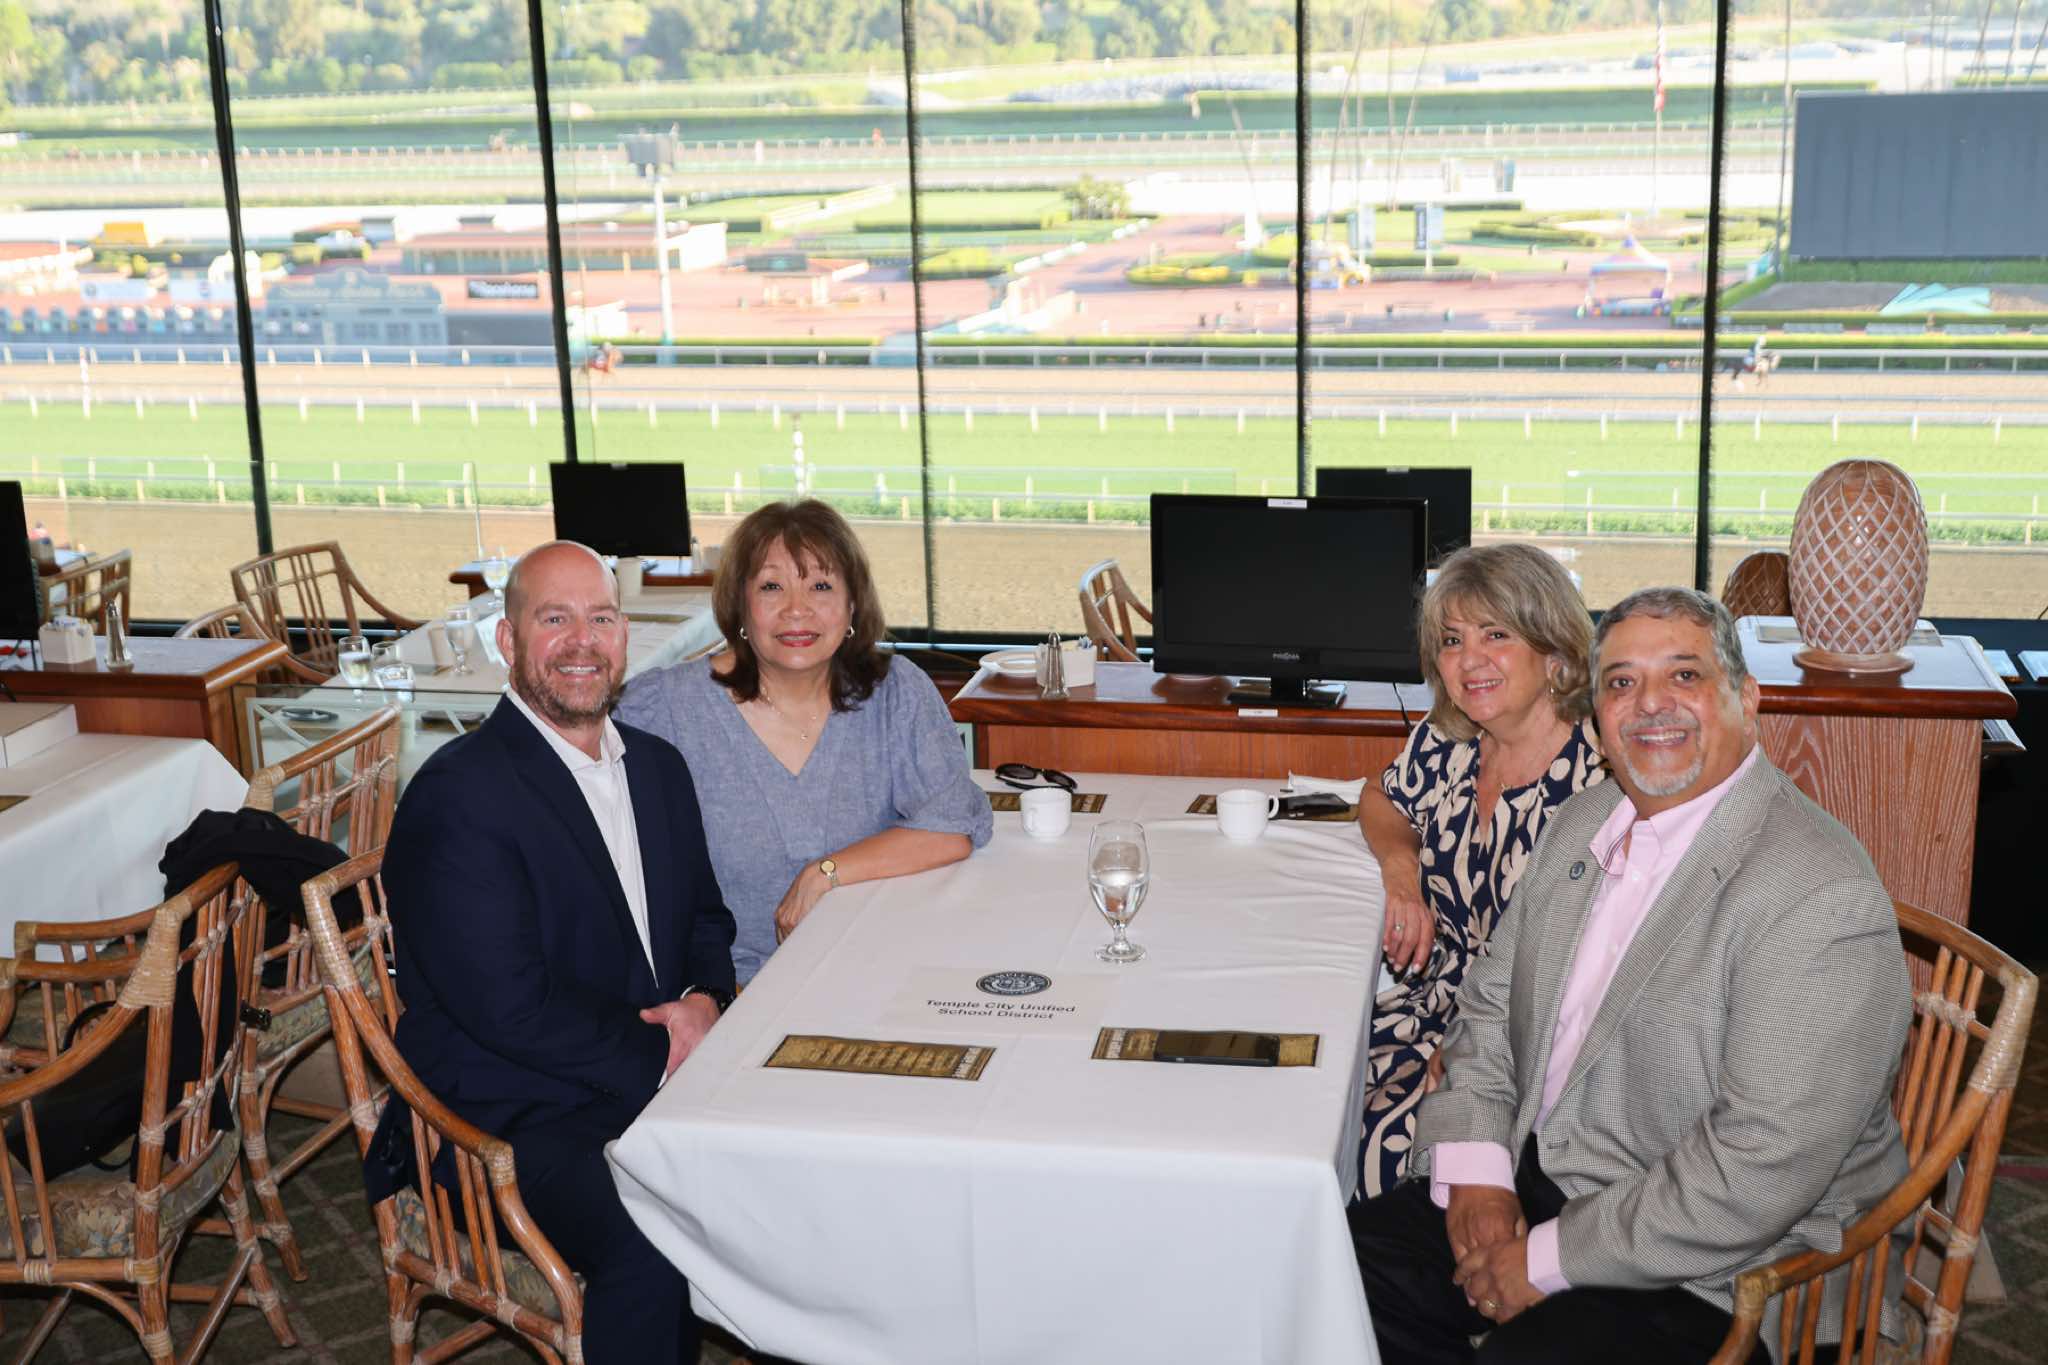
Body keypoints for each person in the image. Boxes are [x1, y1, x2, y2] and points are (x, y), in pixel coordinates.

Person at [1350, 587, 1911, 1365]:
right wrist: (1477, 1174)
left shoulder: (1818, 894)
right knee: (1340, 1272)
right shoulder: (1585, 821)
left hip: (1726, 1268)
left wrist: (1543, 1258)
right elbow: (1486, 1009)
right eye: (1621, 682)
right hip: (1550, 1177)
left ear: (1747, 699)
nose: (1650, 704)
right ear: (1598, 719)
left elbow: (1756, 1167)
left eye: (1684, 675)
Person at [375, 541, 737, 1364]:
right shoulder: (459, 796)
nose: (583, 641)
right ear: (507, 640)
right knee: (655, 1235)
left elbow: (706, 921)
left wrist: (705, 1002)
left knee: (802, 1163)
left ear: (625, 635)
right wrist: (667, 1053)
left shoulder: (658, 768)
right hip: (510, 1117)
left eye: (601, 618)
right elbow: (509, 1007)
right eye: (554, 618)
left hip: (641, 1075)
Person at [619, 499, 992, 985]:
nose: (797, 609)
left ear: (852, 604)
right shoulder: (662, 711)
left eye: (821, 585)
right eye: (771, 586)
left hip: (879, 967)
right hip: (726, 992)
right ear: (740, 605)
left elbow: (952, 827)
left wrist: (826, 872)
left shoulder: (896, 692)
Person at [1355, 543, 1605, 1198]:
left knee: (1385, 1146)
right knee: (1312, 1091)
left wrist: (1474, 1054)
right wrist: (1402, 871)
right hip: (1428, 1002)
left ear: (1555, 652)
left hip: (1531, 1039)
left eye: (1496, 634)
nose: (1469, 661)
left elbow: (1597, 967)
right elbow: (1381, 797)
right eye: (1452, 640)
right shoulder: (1451, 738)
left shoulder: (1601, 774)